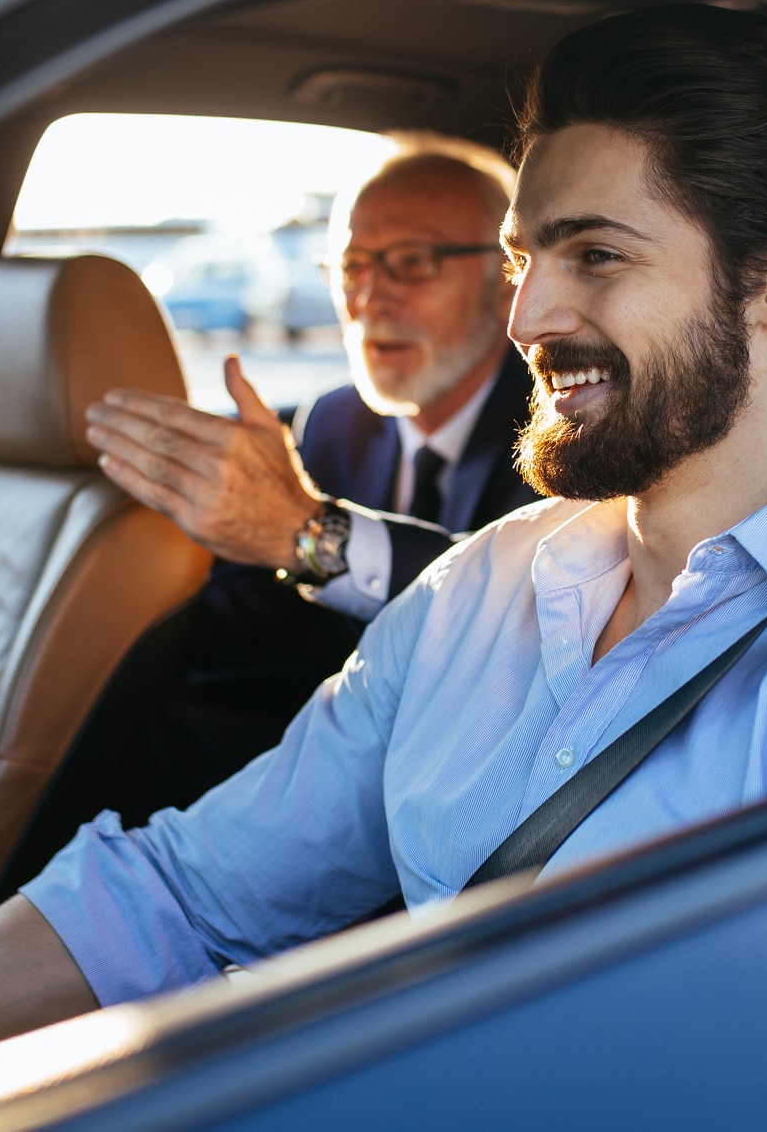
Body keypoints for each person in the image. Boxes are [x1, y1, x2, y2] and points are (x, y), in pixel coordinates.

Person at [0, 4, 767, 1071]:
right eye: (522, 261)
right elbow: (177, 896)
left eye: (596, 256)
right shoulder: (481, 585)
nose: (526, 318)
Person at [73, 136, 543, 820]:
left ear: (509, 277)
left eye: (412, 262)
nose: (369, 296)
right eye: (350, 265)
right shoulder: (332, 423)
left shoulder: (560, 429)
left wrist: (307, 533)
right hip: (339, 772)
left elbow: (528, 607)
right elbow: (238, 621)